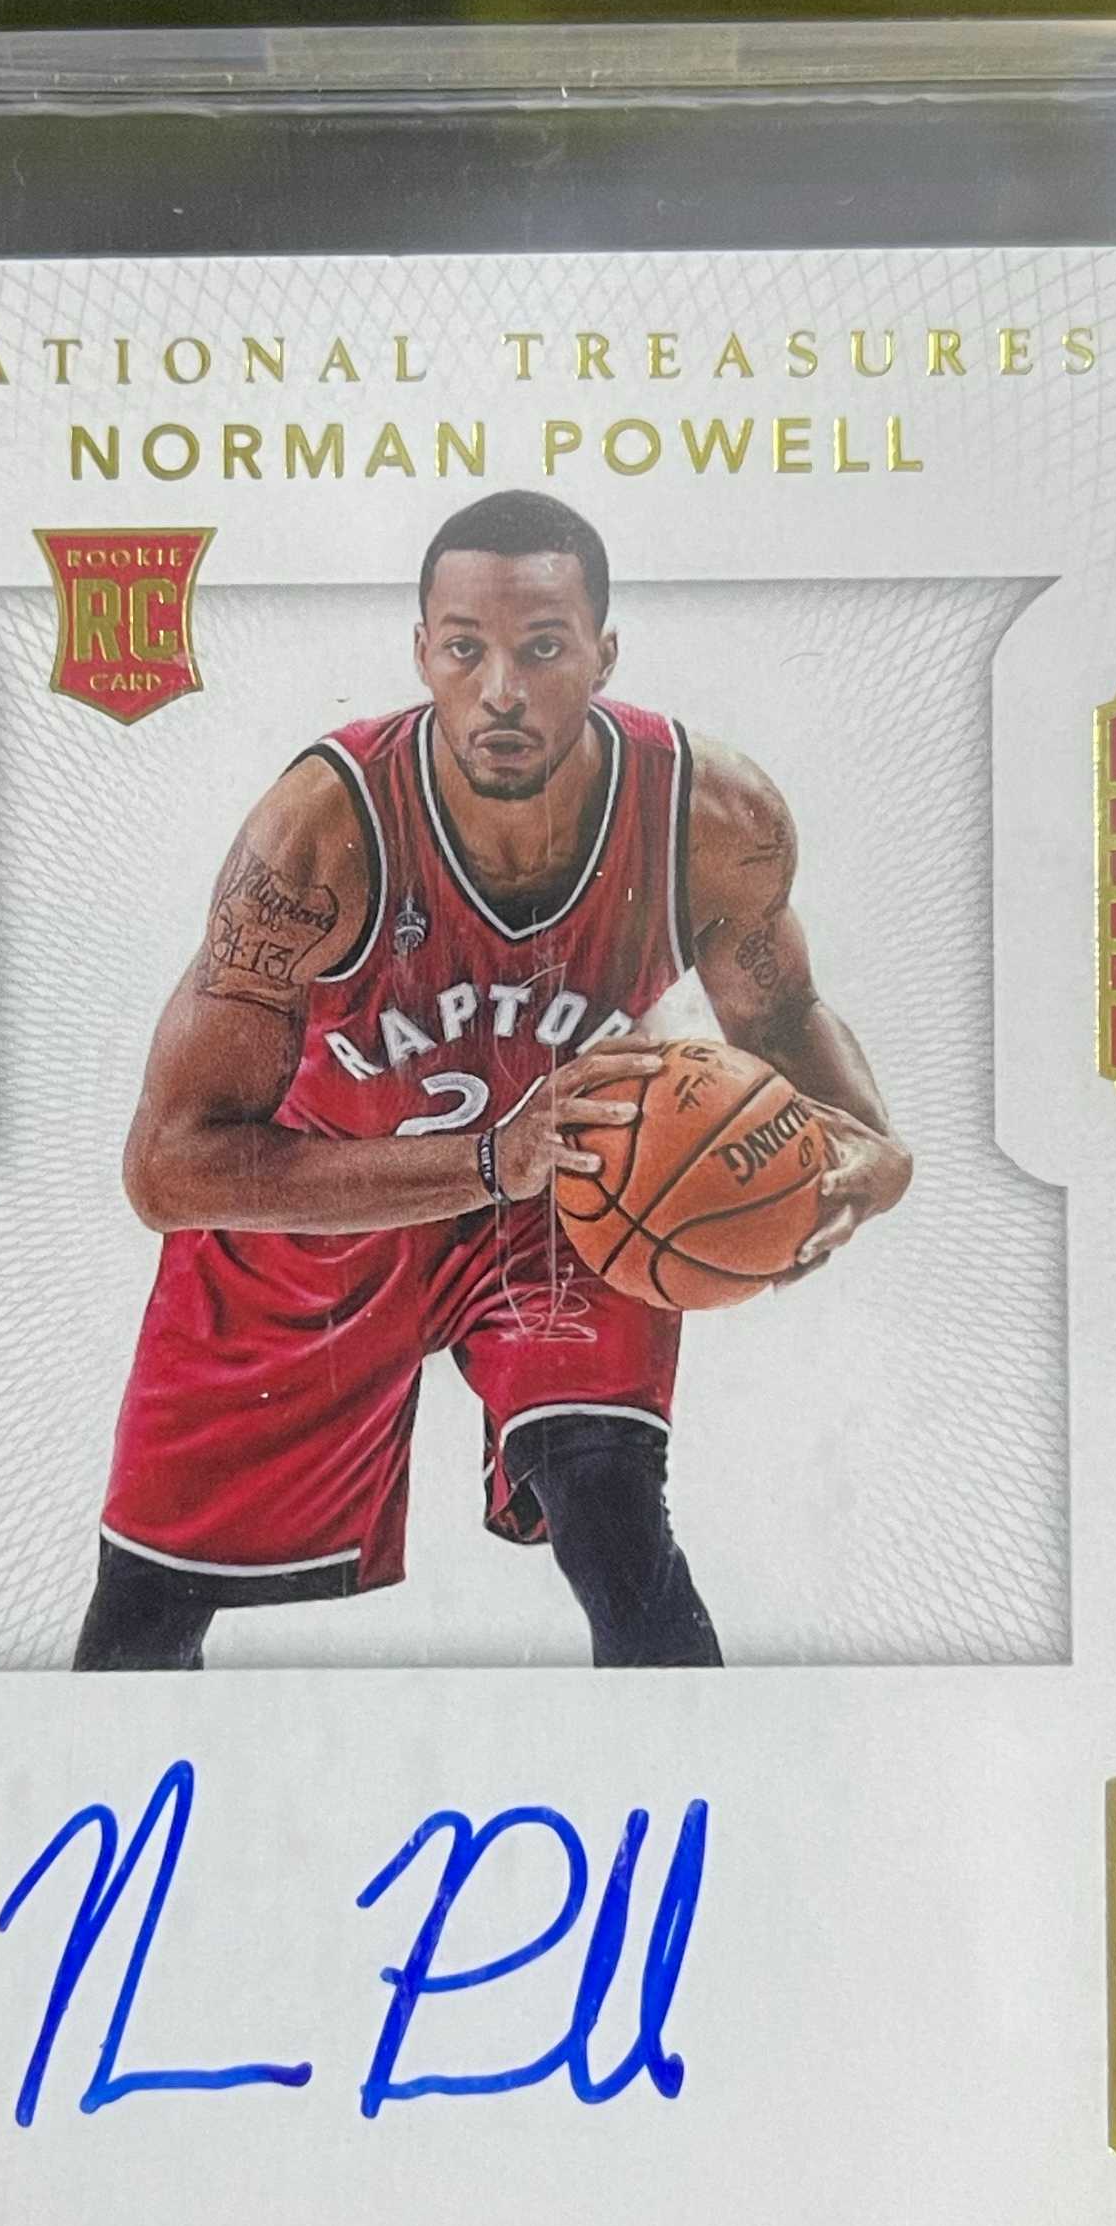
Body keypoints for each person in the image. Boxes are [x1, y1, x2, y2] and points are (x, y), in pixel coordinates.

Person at [76, 490, 910, 1668]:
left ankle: (705, 1766)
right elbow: (166, 1170)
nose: (502, 691)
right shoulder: (318, 836)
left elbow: (781, 1016)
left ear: (605, 655)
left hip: (566, 1195)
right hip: (319, 1211)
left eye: (544, 648)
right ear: (422, 652)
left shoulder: (713, 817)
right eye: (466, 650)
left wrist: (873, 1143)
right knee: (144, 1621)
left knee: (616, 1523)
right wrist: (483, 1159)